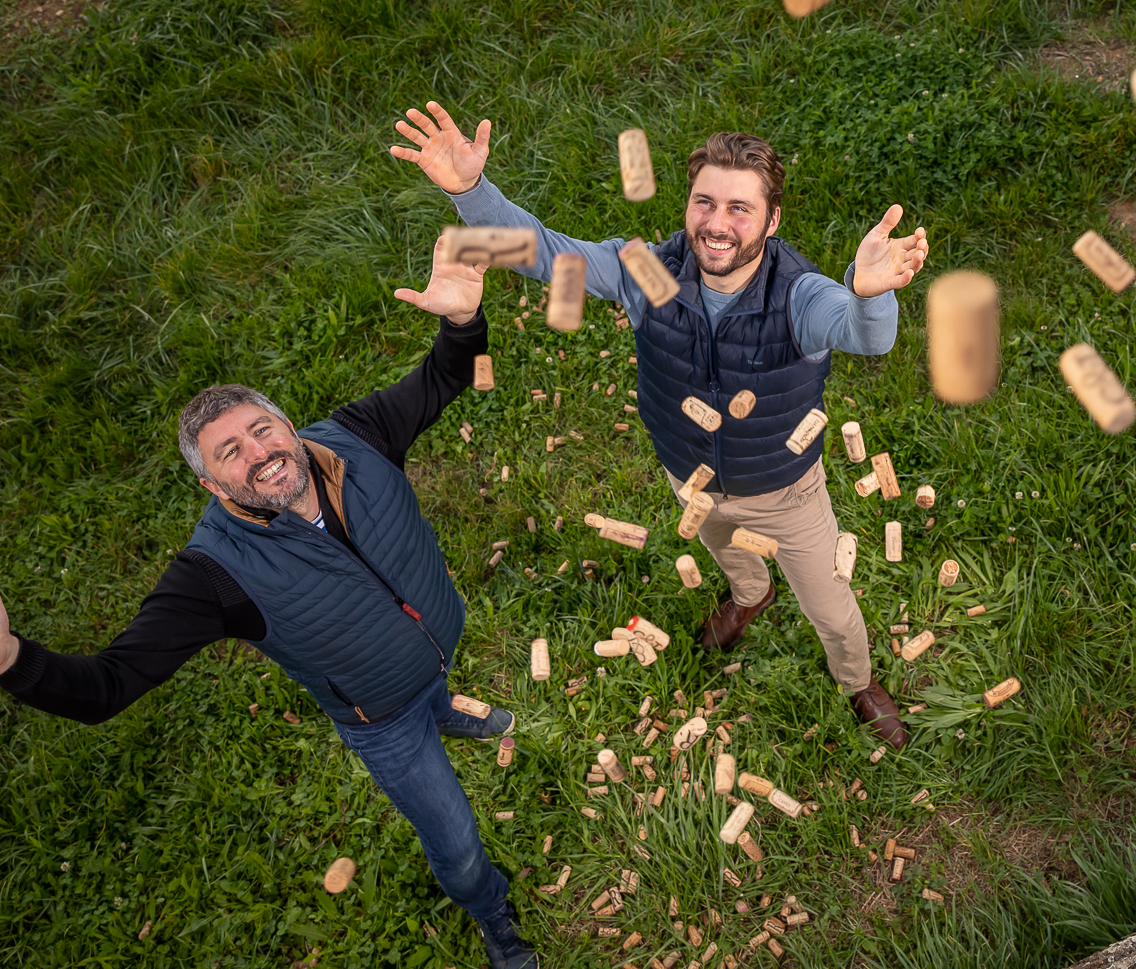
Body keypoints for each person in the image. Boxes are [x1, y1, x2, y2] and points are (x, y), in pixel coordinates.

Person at [0, 238, 539, 969]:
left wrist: (462, 323)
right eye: (230, 454)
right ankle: (492, 915)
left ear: (288, 428)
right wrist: (8, 659)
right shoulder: (213, 574)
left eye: (262, 430)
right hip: (382, 722)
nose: (259, 454)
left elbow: (446, 376)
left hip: (434, 640)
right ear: (212, 487)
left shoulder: (356, 437)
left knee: (432, 680)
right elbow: (108, 686)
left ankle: (444, 705)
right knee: (458, 848)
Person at [391, 102, 928, 748]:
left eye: (739, 208)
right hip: (691, 478)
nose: (717, 224)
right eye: (705, 203)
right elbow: (544, 253)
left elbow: (866, 337)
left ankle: (857, 681)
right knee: (728, 553)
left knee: (831, 609)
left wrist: (870, 292)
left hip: (785, 492)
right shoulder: (651, 273)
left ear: (772, 220)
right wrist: (471, 191)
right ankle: (750, 597)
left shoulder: (797, 295)